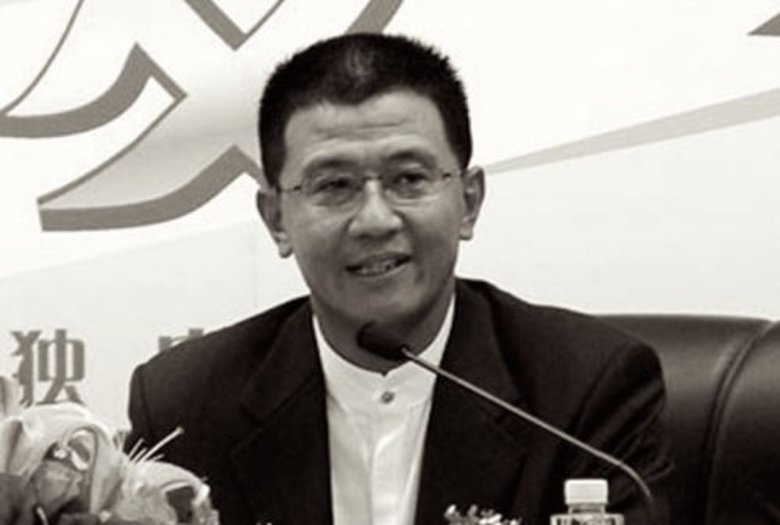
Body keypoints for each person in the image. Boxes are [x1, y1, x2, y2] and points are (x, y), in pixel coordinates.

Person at [126, 33, 674, 525]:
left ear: (469, 202)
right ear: (277, 220)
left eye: (409, 179)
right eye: (334, 186)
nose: (375, 220)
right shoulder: (185, 404)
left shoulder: (586, 390)